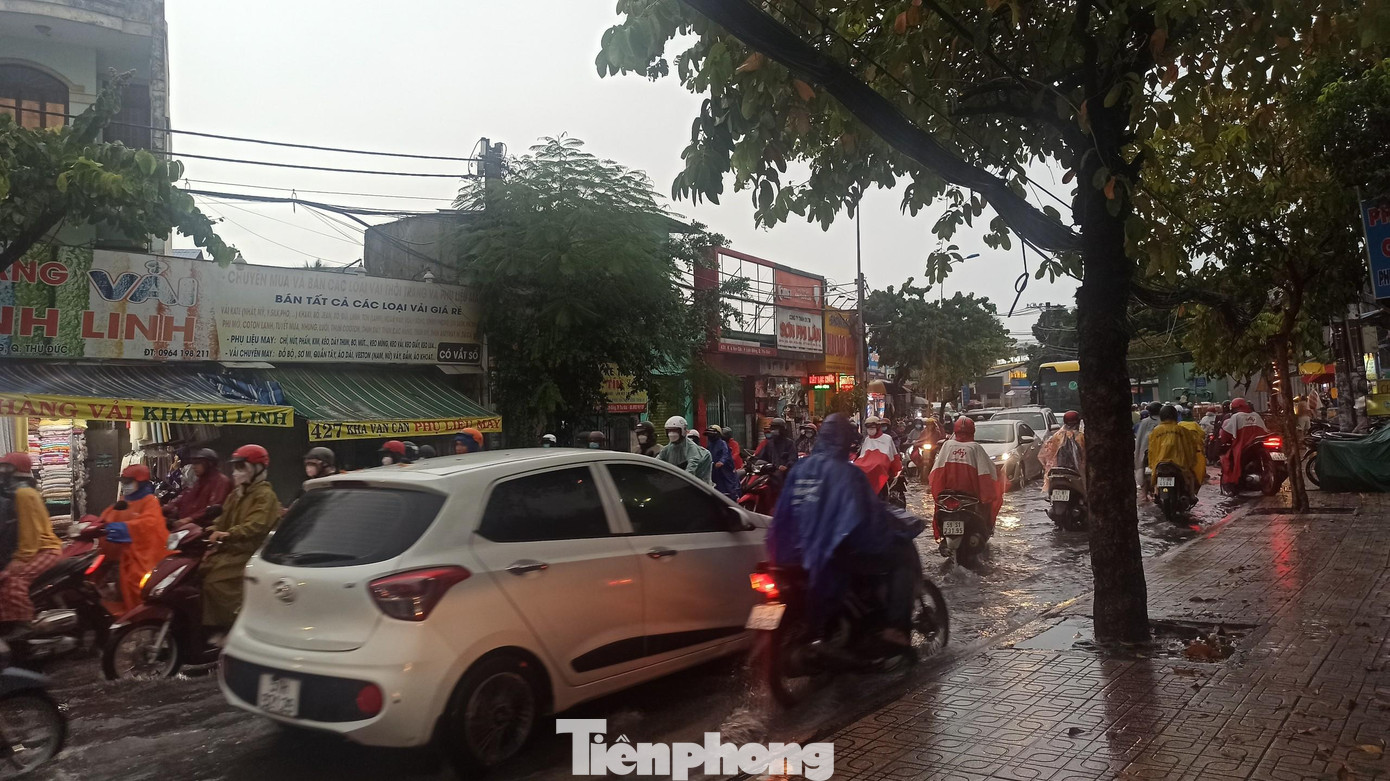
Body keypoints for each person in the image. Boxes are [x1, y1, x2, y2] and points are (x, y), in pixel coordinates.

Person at [766, 413, 919, 647]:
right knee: (902, 556)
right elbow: (868, 514)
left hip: (795, 551)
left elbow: (782, 512)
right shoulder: (847, 472)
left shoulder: (800, 468)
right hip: (834, 552)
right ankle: (896, 627)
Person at [202, 445, 281, 642]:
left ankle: (232, 626)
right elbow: (222, 519)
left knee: (215, 582)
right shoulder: (236, 494)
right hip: (229, 549)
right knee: (199, 571)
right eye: (235, 467)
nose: (236, 472)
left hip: (249, 553)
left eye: (241, 467)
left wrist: (228, 534)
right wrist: (212, 528)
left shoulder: (265, 495)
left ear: (257, 469)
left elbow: (255, 525)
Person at [0, 453, 61, 633]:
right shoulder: (16, 493)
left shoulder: (23, 493)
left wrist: (21, 559)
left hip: (44, 549)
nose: (2, 472)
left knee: (13, 582)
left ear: (15, 471)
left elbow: (30, 531)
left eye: (5, 468)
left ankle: (25, 628)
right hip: (33, 549)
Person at [100, 464, 170, 614]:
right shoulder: (124, 501)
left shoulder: (150, 501)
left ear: (141, 482)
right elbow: (109, 515)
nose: (125, 485)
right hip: (123, 553)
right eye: (123, 482)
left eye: (128, 482)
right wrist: (95, 525)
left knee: (135, 579)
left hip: (145, 555)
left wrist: (123, 529)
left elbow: (148, 524)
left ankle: (138, 616)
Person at [929, 417, 1004, 528]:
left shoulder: (947, 446)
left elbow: (935, 474)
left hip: (948, 496)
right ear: (972, 431)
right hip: (971, 497)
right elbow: (988, 474)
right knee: (986, 514)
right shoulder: (975, 448)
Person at [163, 448, 231, 528]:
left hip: (208, 527)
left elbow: (212, 509)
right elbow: (185, 497)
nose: (194, 467)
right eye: (194, 463)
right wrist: (164, 508)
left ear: (209, 464)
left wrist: (189, 519)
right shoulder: (200, 481)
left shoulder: (221, 481)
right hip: (190, 526)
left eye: (198, 463)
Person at [1149, 405, 1206, 494]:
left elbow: (1151, 450)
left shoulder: (1155, 432)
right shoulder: (1182, 430)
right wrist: (1191, 462)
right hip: (1179, 465)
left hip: (1160, 464)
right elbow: (1190, 448)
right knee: (1191, 477)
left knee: (1156, 481)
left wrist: (1152, 465)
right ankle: (1192, 495)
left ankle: (1156, 492)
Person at [1219, 397, 1268, 490]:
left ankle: (1235, 481)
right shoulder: (1256, 415)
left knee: (1231, 460)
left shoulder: (1236, 417)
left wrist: (1223, 440)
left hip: (1243, 446)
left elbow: (1226, 433)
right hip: (1260, 445)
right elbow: (1265, 430)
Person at [1040, 410, 1085, 495]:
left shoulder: (1057, 436)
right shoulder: (1081, 437)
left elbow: (1048, 455)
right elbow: (1084, 456)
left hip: (1058, 471)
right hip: (1076, 473)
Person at [656, 416, 713, 483]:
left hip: (697, 481)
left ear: (683, 430)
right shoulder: (668, 448)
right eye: (669, 431)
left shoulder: (690, 447)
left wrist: (683, 481)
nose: (672, 434)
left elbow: (692, 467)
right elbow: (657, 461)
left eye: (675, 431)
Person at [1134, 402, 1164, 498]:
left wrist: (1138, 453)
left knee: (1143, 470)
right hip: (1162, 454)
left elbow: (1139, 439)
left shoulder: (1144, 422)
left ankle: (1144, 495)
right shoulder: (1164, 422)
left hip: (1146, 453)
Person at [704, 425, 739, 499]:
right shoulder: (710, 445)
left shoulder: (722, 443)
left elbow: (725, 454)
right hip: (714, 470)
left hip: (725, 470)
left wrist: (721, 462)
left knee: (729, 488)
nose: (710, 437)